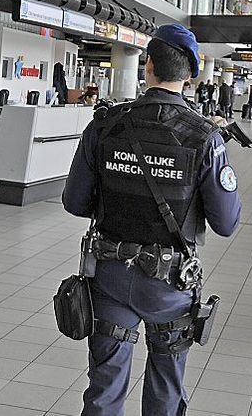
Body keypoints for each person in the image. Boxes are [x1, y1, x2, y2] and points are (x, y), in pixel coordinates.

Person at [63, 23, 241, 416]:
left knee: (105, 387)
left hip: (109, 278)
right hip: (170, 288)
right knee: (165, 389)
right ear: (191, 75)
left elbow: (74, 202)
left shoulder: (106, 126)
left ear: (148, 66)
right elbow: (226, 223)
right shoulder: (203, 138)